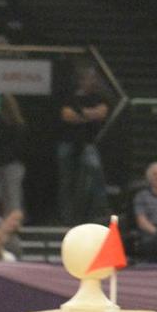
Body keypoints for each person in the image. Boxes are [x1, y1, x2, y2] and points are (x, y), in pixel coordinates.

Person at [57, 66, 111, 220]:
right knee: (66, 180)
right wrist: (88, 115)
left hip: (88, 143)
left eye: (94, 78)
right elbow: (67, 115)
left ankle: (99, 212)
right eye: (89, 78)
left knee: (95, 172)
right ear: (81, 80)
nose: (92, 81)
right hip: (67, 142)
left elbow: (102, 112)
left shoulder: (98, 97)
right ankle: (66, 215)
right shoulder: (68, 96)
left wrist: (80, 114)